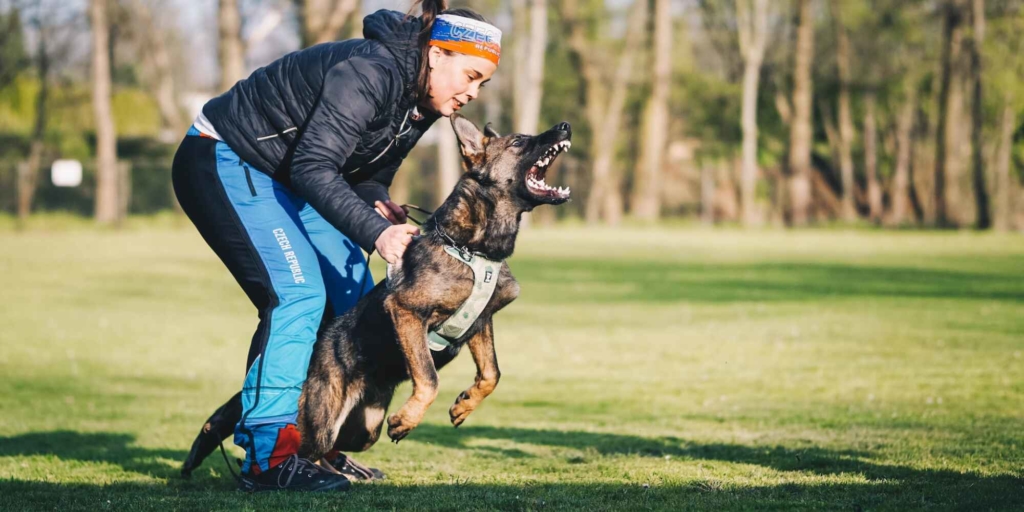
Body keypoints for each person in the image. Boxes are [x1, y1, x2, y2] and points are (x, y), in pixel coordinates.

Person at [171, 0, 500, 492]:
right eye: (470, 75)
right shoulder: (371, 71)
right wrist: (377, 233)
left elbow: (367, 174)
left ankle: (316, 447)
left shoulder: (424, 99)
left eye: (482, 83)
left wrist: (377, 204)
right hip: (228, 156)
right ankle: (268, 457)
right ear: (437, 55)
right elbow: (312, 166)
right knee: (298, 293)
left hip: (293, 177)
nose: (472, 92)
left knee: (352, 306)